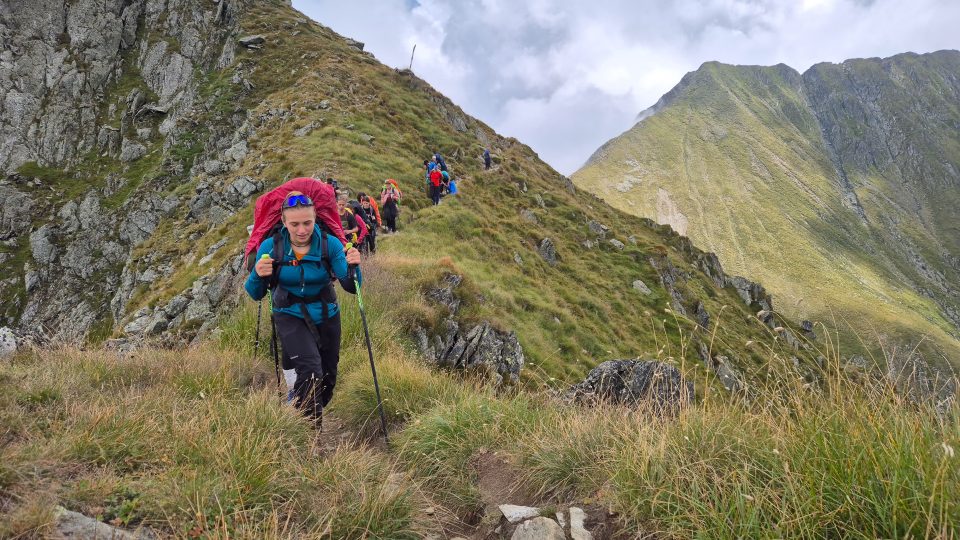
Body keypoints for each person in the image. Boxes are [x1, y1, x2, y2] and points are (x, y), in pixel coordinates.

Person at [245, 191, 362, 425]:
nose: (301, 230)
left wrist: (354, 267)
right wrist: (258, 274)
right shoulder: (272, 246)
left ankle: (297, 405)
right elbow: (255, 292)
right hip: (289, 314)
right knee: (310, 371)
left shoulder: (330, 245)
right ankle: (308, 434)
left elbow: (350, 286)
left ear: (315, 218)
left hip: (327, 315)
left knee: (327, 380)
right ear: (283, 221)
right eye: (294, 224)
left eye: (307, 223)